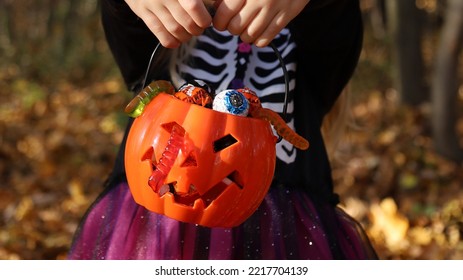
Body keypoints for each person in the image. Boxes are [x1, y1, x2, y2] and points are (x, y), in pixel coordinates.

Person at [68, 0, 378, 259]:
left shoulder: (314, 30)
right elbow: (127, 32)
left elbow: (337, 28)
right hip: (156, 209)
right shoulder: (158, 40)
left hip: (284, 223)